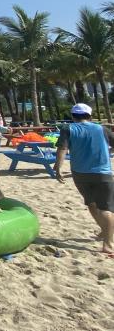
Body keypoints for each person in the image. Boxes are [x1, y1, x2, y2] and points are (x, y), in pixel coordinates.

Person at [54, 103, 114, 254]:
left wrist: (58, 167)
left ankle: (104, 231)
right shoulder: (102, 129)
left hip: (80, 174)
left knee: (92, 204)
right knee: (105, 207)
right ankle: (108, 242)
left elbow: (62, 148)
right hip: (103, 173)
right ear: (90, 116)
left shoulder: (68, 129)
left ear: (73, 117)